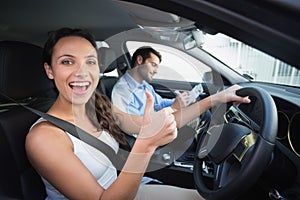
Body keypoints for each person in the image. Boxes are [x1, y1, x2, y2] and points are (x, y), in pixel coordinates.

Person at [25, 27, 250, 200]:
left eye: (90, 62)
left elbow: (160, 123)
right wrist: (145, 145)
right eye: (67, 62)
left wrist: (215, 99)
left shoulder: (98, 107)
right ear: (50, 70)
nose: (82, 72)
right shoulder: (44, 137)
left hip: (126, 188)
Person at [111, 46, 210, 137]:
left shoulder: (145, 85)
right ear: (140, 60)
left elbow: (159, 103)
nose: (156, 71)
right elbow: (136, 128)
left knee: (202, 113)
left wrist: (180, 102)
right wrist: (173, 108)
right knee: (198, 119)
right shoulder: (122, 91)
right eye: (153, 65)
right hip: (148, 137)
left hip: (157, 125)